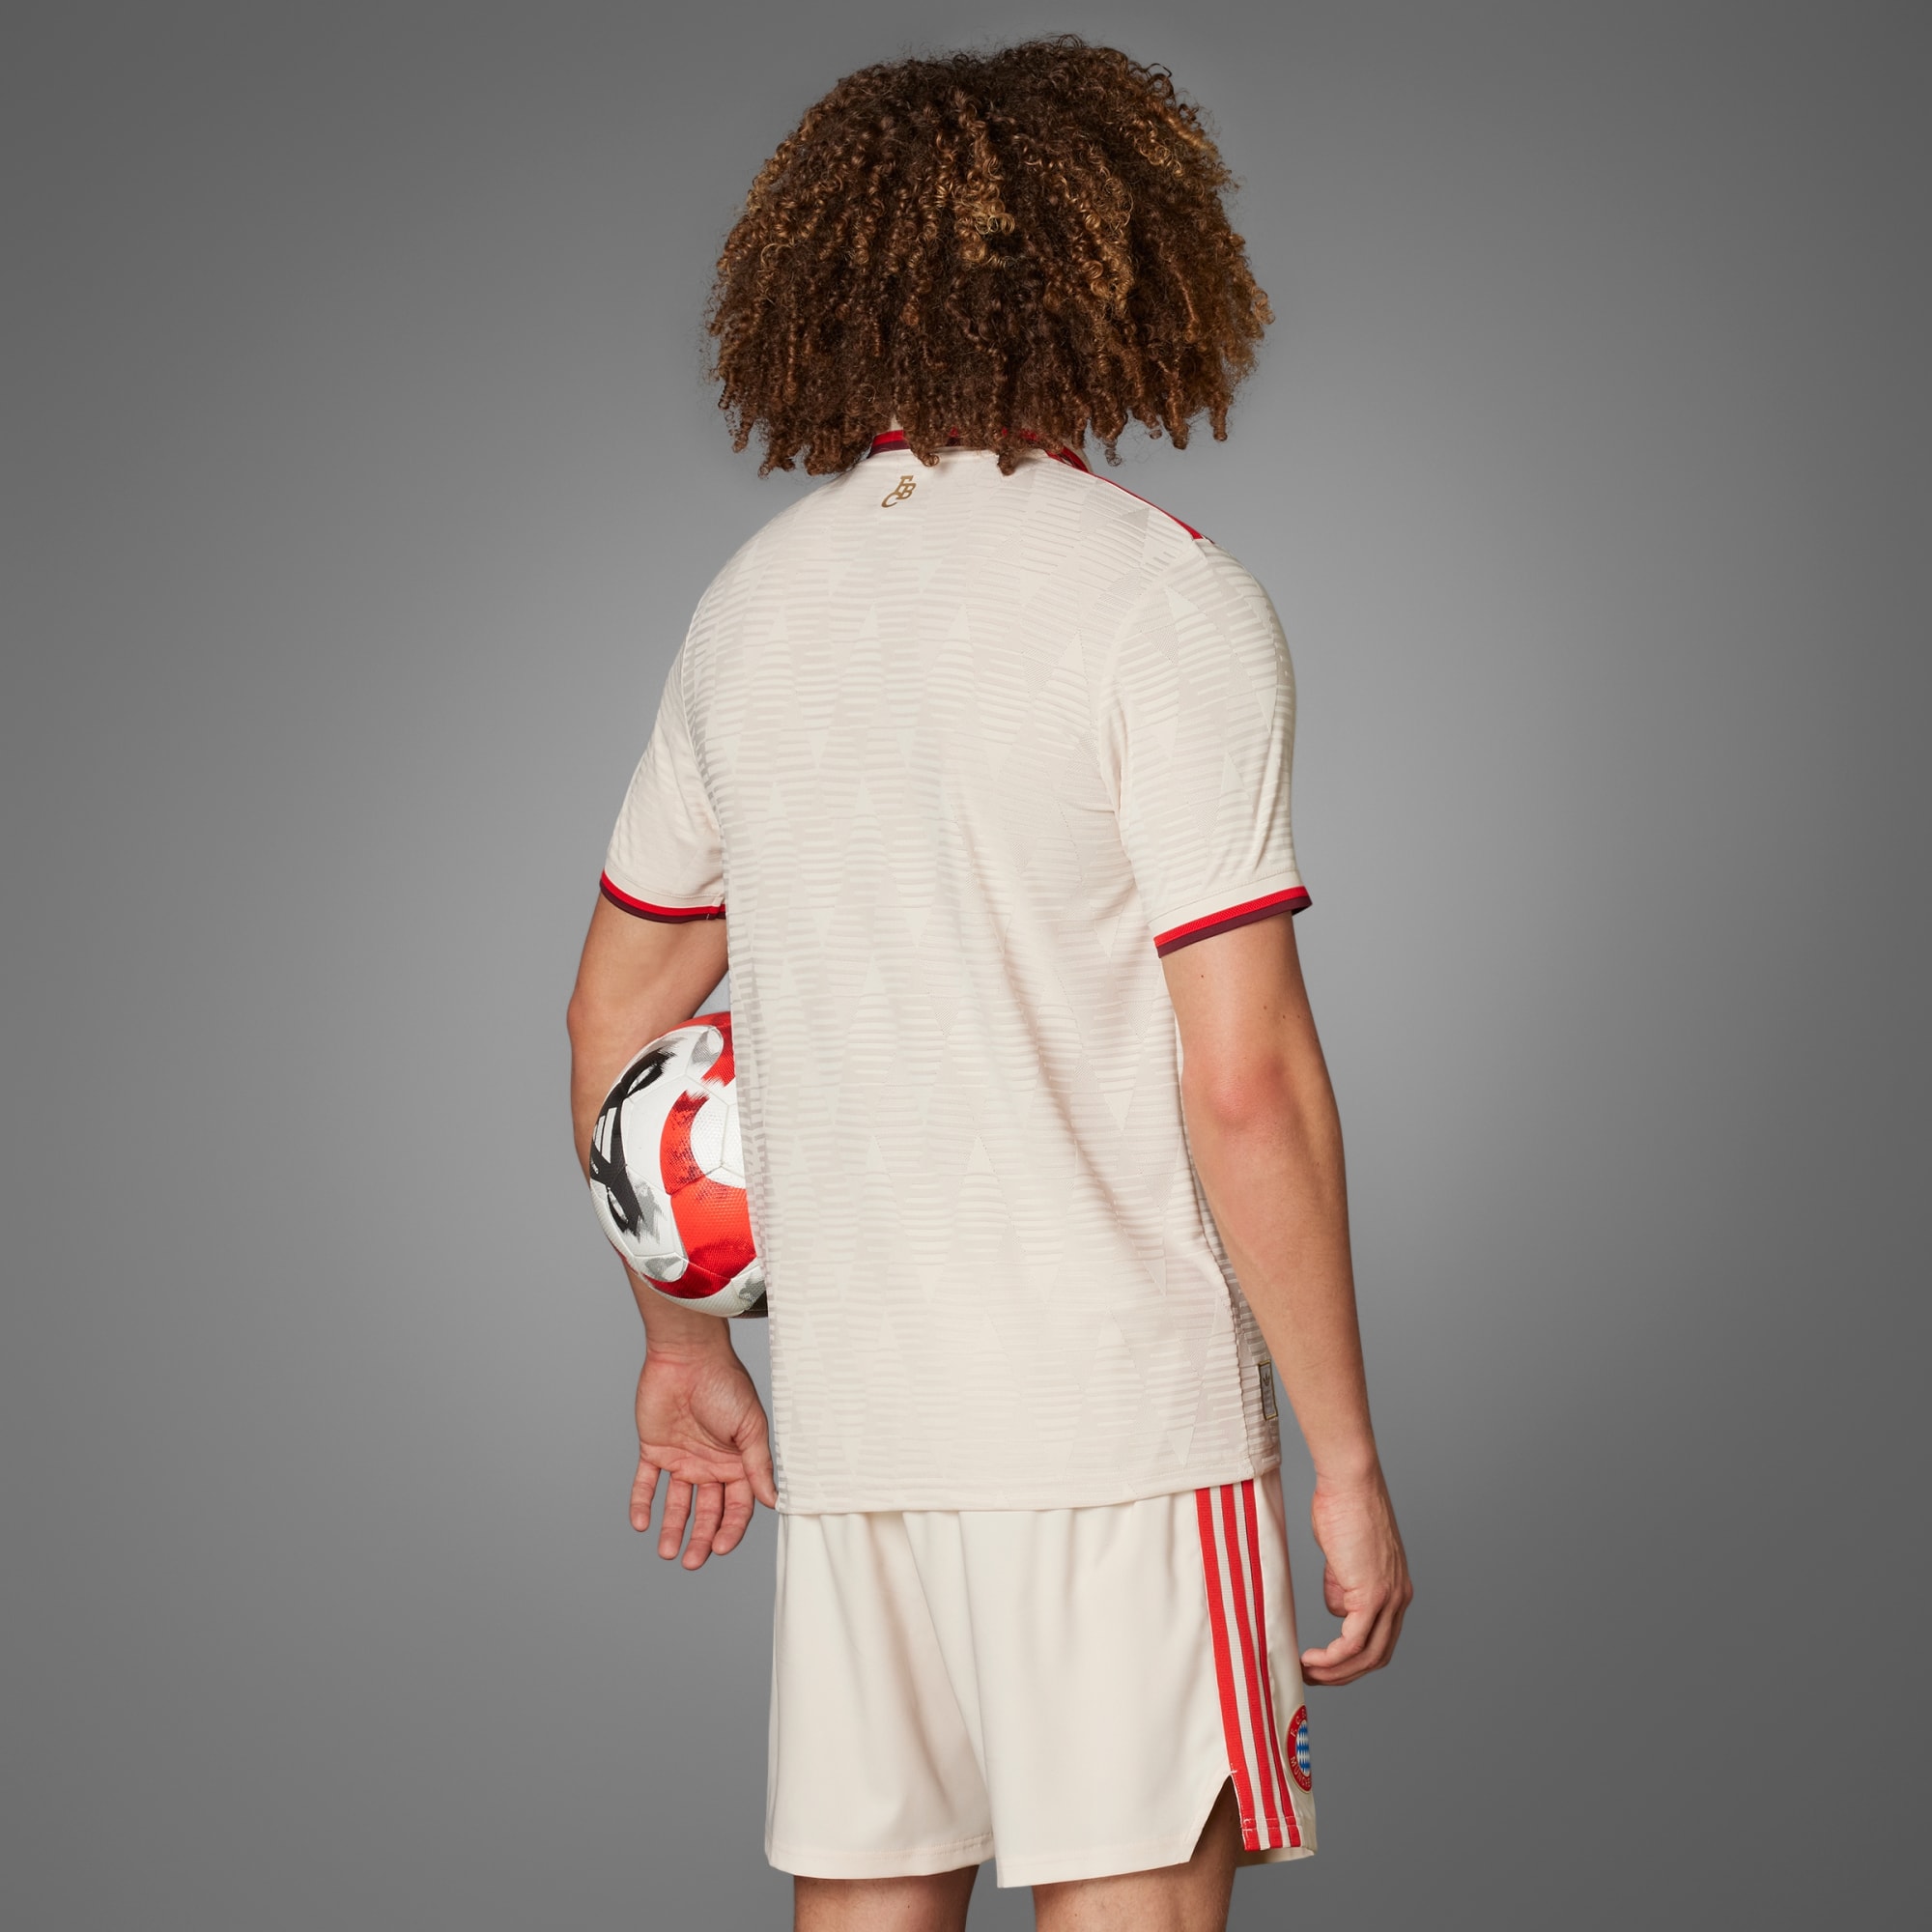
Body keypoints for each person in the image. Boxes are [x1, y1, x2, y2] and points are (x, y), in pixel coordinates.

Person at [566, 38, 1410, 1932]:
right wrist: (1344, 1460)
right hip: (1120, 1431)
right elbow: (1247, 1081)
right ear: (1128, 270)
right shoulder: (1161, 600)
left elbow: (612, 1018)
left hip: (861, 1434)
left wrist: (683, 1348)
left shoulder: (752, 605)